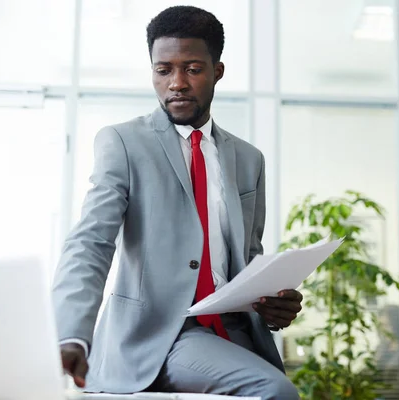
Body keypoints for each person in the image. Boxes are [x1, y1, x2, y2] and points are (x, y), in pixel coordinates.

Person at [52, 5, 301, 399]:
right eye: (163, 70)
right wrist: (70, 334)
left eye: (193, 69)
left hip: (234, 329)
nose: (177, 83)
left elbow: (249, 257)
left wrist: (272, 305)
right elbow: (91, 243)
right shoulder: (124, 143)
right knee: (274, 391)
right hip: (163, 334)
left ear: (217, 71)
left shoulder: (249, 159)